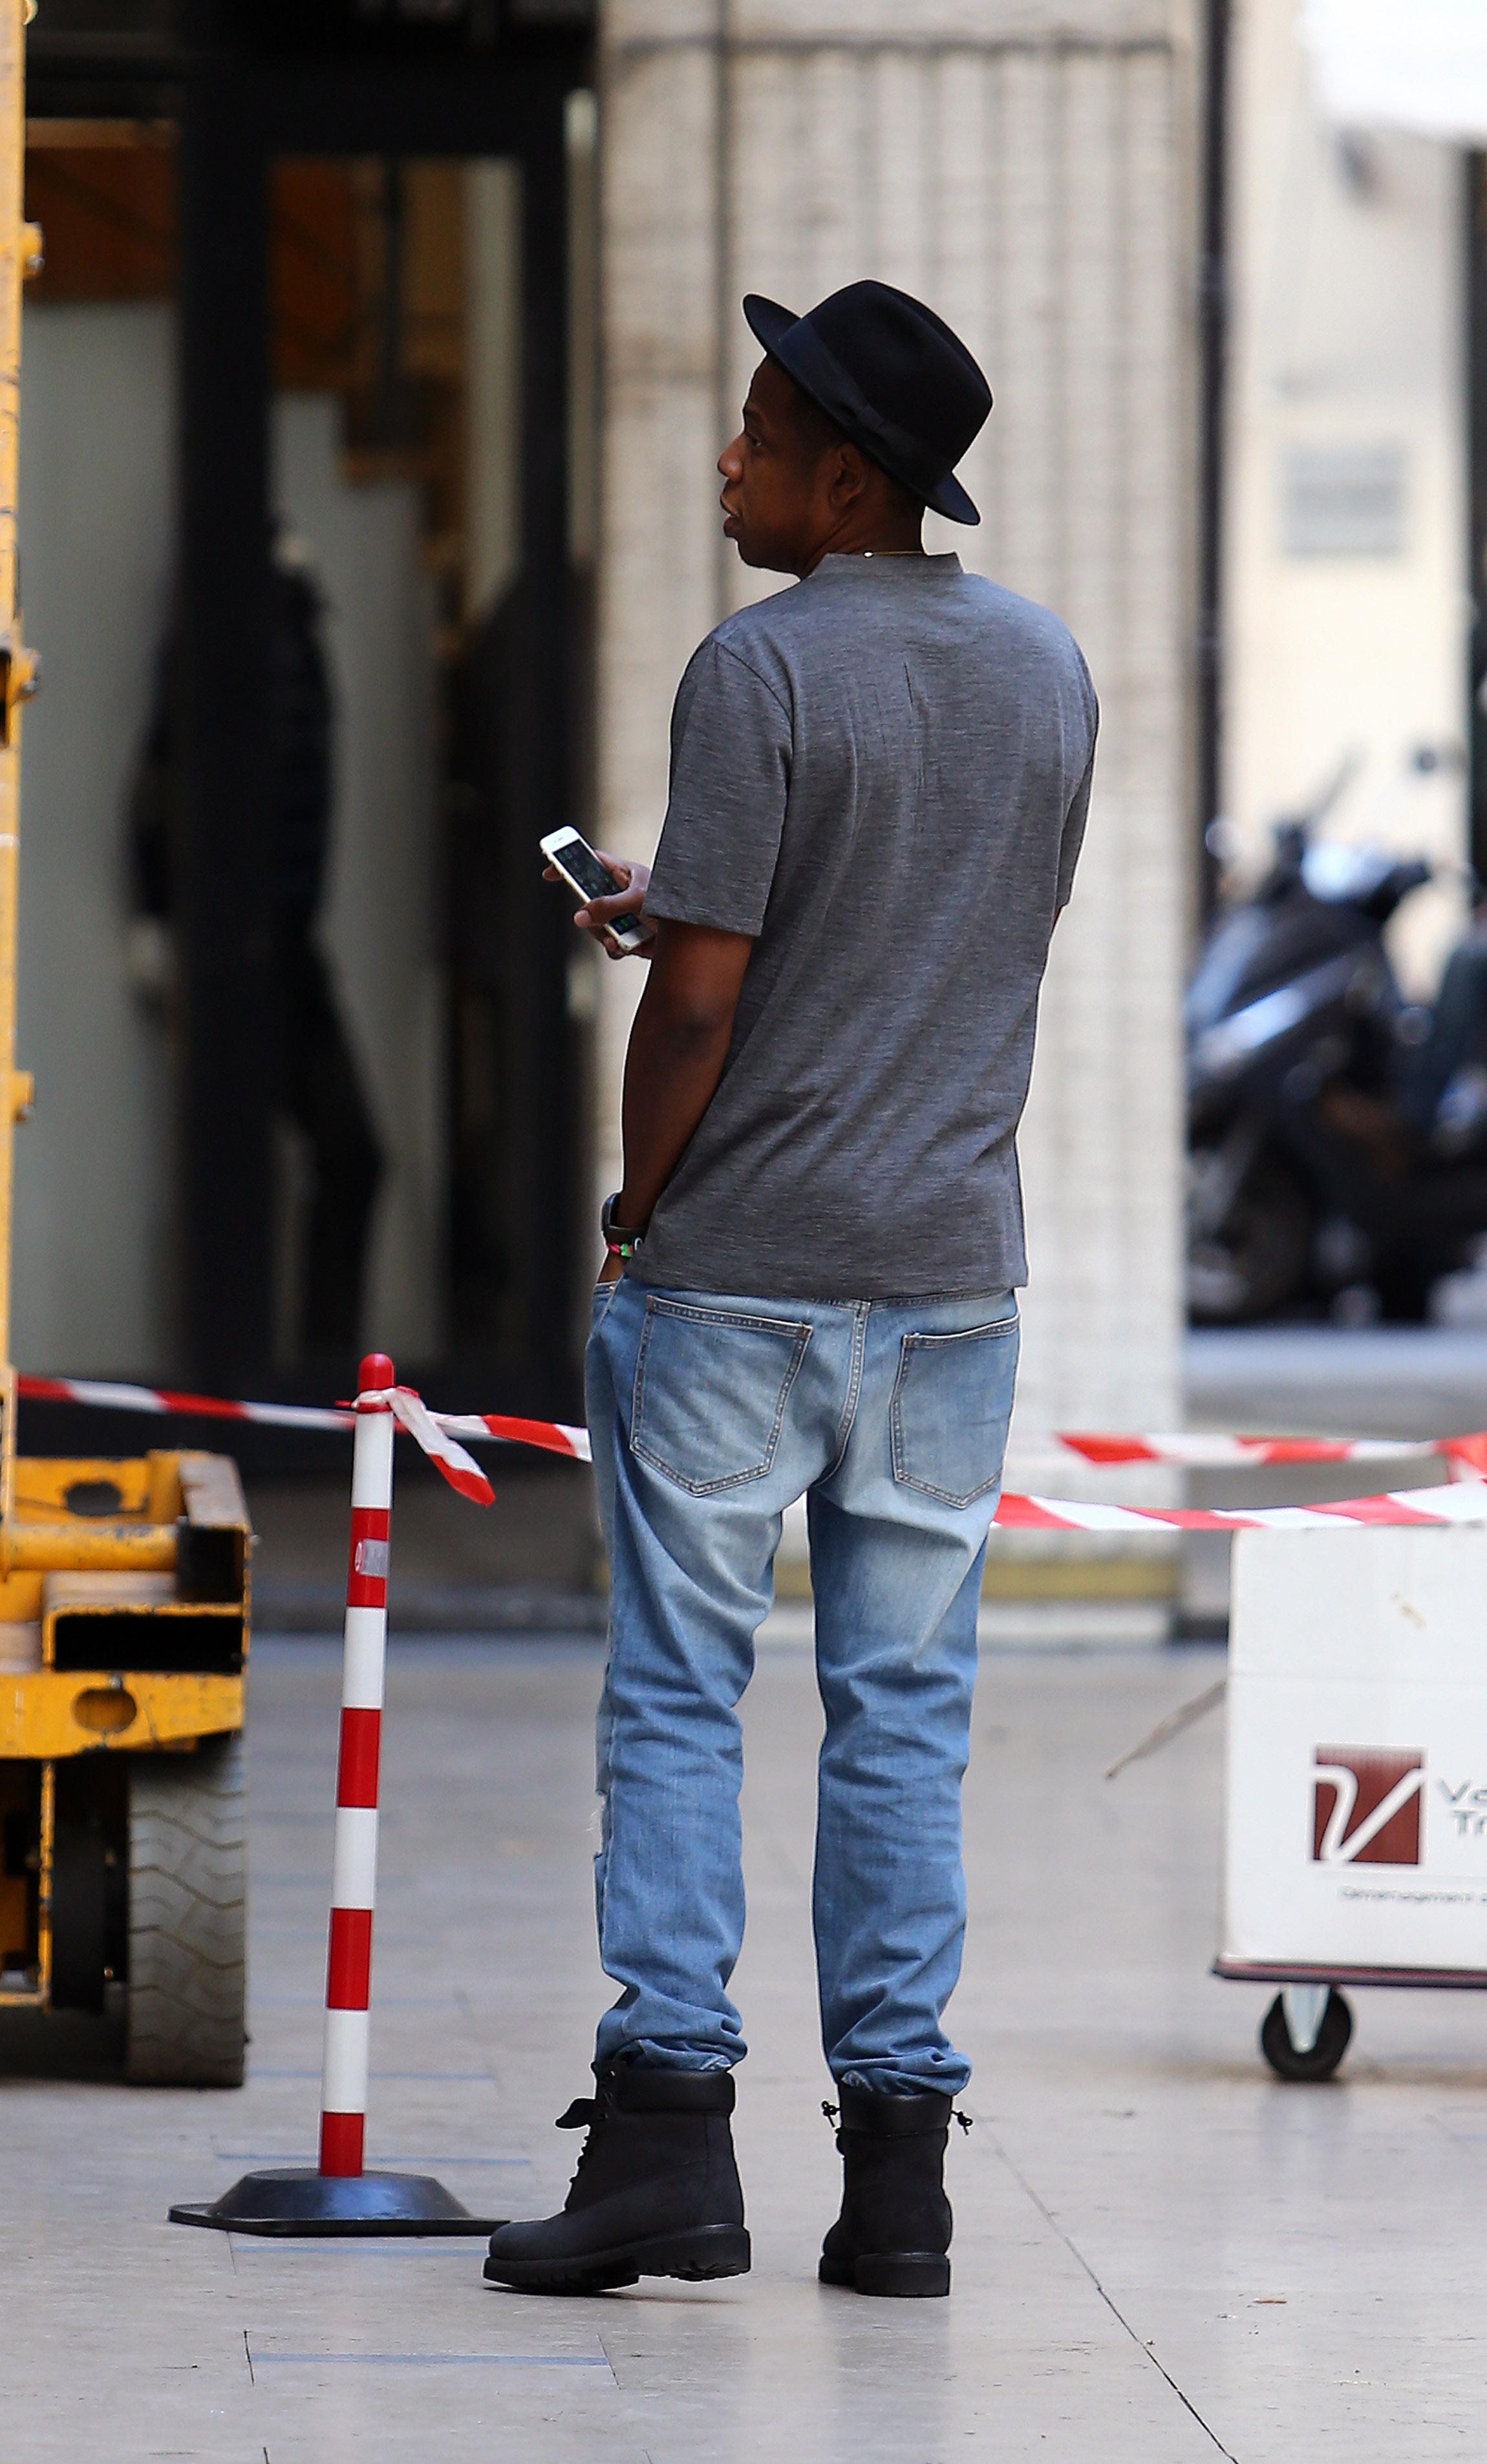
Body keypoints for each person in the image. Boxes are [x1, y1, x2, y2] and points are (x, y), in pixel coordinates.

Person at [484, 280, 1097, 2302]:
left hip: (737, 1278)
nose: (726, 459)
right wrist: (698, 916)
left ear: (851, 482)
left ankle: (669, 2140)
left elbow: (718, 1003)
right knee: (900, 1716)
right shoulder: (1048, 671)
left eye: (756, 433)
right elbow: (936, 923)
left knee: (678, 1694)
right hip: (946, 1286)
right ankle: (897, 2184)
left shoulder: (753, 670)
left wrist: (632, 1202)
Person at [129, 533, 383, 1366]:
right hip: (242, 948)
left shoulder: (290, 632)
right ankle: (264, 1379)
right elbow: (163, 780)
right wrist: (158, 915)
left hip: (280, 942)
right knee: (261, 1172)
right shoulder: (237, 633)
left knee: (337, 1156)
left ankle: (312, 1375)